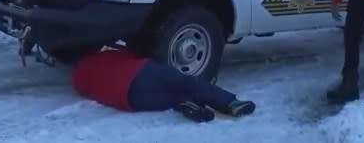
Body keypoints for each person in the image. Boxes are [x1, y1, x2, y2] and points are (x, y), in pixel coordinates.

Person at [71, 47, 256, 122]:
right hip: (141, 72)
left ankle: (186, 104)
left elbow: (94, 93)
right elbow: (130, 55)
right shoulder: (99, 57)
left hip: (130, 98)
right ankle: (231, 104)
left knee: (174, 99)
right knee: (187, 82)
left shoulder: (78, 82)